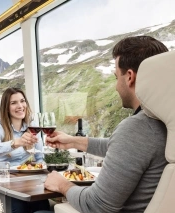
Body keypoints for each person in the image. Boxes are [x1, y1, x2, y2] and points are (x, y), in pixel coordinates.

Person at [42, 36, 169, 213]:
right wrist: (73, 141)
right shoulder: (166, 121)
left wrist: (62, 184)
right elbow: (126, 149)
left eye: (117, 77)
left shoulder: (137, 128)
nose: (116, 86)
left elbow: (97, 205)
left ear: (130, 77)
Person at [0, 87, 50, 213]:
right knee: (19, 206)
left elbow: (40, 158)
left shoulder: (32, 127)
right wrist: (17, 142)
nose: (20, 106)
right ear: (6, 107)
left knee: (42, 202)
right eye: (14, 103)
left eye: (22, 101)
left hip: (22, 182)